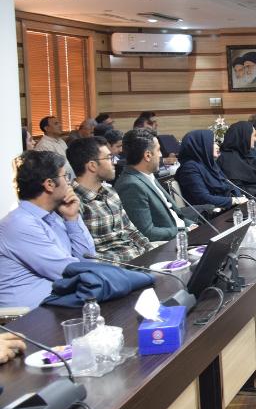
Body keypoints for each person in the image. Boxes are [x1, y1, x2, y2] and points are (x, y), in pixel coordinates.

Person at [0, 150, 95, 308]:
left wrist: (72, 218)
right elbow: (68, 272)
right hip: (29, 316)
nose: (70, 182)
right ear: (49, 184)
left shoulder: (55, 216)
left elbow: (88, 260)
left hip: (59, 304)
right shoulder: (19, 224)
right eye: (65, 176)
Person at [67, 136, 151, 263]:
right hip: (118, 267)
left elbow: (131, 231)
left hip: (140, 257)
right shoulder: (73, 203)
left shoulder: (110, 192)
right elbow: (88, 255)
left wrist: (152, 252)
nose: (114, 163)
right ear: (92, 166)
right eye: (108, 158)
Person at [115, 128, 191, 243]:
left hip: (182, 233)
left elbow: (177, 215)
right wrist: (185, 231)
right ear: (148, 155)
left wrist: (193, 226)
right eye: (158, 150)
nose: (161, 155)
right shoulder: (131, 185)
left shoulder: (147, 175)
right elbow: (147, 233)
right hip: (169, 243)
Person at [176, 130, 244, 210]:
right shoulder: (189, 168)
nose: (217, 146)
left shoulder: (208, 163)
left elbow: (229, 184)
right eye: (212, 143)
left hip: (226, 207)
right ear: (200, 145)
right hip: (211, 213)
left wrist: (239, 197)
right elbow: (203, 198)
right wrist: (234, 201)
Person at [218, 121, 256, 197]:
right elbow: (238, 191)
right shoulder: (228, 159)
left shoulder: (245, 153)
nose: (255, 139)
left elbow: (255, 178)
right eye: (253, 136)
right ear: (244, 137)